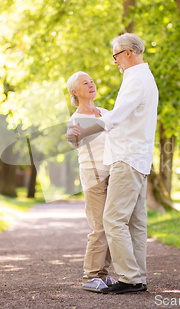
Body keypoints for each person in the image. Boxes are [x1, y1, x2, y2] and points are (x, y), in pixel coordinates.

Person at [67, 33, 159, 294]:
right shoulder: (144, 78)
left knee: (113, 220)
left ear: (127, 53)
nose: (115, 62)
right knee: (135, 223)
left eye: (116, 56)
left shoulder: (135, 79)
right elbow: (125, 116)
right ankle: (138, 276)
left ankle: (130, 278)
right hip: (139, 159)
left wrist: (85, 130)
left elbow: (116, 118)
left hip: (127, 158)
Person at [66, 71, 116, 292]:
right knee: (99, 226)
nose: (91, 85)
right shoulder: (75, 119)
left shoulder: (104, 112)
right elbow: (74, 140)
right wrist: (73, 137)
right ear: (75, 92)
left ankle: (102, 275)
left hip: (113, 173)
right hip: (93, 174)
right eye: (85, 83)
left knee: (113, 225)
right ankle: (90, 276)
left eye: (92, 81)